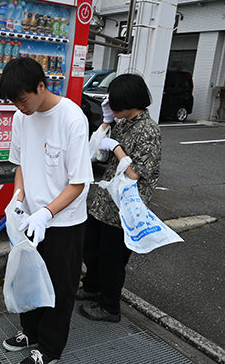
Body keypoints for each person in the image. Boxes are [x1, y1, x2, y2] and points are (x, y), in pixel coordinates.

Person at [0, 57, 94, 364]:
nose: (19, 107)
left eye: (23, 100)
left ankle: (50, 349)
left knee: (59, 286)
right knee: (28, 278)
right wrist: (18, 198)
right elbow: (22, 165)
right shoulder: (20, 117)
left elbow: (79, 183)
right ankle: (31, 331)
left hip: (63, 222)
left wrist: (46, 213)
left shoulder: (72, 119)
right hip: (30, 217)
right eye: (14, 102)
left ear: (41, 86)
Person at [78, 73, 162, 322]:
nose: (111, 106)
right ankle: (91, 287)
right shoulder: (124, 122)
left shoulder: (149, 131)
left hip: (124, 208)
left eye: (115, 102)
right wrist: (105, 123)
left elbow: (136, 173)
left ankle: (109, 307)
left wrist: (116, 148)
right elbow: (94, 151)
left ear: (130, 101)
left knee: (112, 260)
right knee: (90, 247)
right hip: (105, 202)